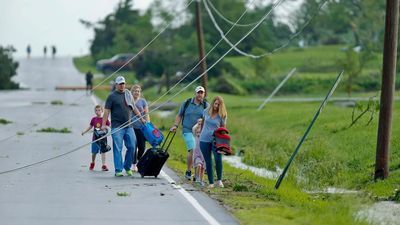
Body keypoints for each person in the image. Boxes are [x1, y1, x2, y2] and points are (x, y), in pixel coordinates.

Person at [102, 75, 145, 177]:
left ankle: (127, 166)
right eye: (120, 84)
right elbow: (107, 111)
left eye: (123, 83)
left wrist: (141, 118)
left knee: (132, 146)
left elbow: (134, 108)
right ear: (116, 85)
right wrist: (104, 124)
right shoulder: (111, 96)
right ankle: (118, 170)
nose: (122, 85)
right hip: (117, 127)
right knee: (118, 148)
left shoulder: (128, 94)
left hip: (129, 126)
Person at [170, 86, 208, 180]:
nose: (200, 94)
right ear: (195, 93)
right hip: (187, 130)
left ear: (204, 94)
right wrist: (175, 125)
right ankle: (188, 170)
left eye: (201, 93)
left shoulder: (206, 106)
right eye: (198, 92)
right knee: (192, 148)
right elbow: (179, 115)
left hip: (199, 132)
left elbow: (209, 118)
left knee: (199, 152)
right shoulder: (186, 103)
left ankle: (197, 175)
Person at [199, 96, 227, 188]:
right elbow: (203, 124)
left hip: (216, 140)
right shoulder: (206, 111)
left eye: (219, 105)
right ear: (213, 103)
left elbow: (223, 129)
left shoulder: (222, 115)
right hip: (204, 139)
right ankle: (211, 182)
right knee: (208, 161)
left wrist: (223, 143)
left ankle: (219, 180)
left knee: (218, 159)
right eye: (215, 104)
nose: (217, 106)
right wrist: (200, 134)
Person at [81, 105, 110, 171]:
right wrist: (84, 132)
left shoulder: (105, 119)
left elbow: (109, 127)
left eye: (99, 110)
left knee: (103, 151)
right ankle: (93, 162)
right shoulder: (94, 119)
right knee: (94, 153)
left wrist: (106, 128)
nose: (97, 112)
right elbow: (90, 126)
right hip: (95, 139)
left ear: (102, 111)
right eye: (96, 110)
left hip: (103, 139)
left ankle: (103, 165)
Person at [130, 84, 150, 170]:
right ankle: (133, 164)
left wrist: (148, 124)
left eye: (138, 91)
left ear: (140, 92)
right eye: (135, 91)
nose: (137, 93)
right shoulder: (129, 101)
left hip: (141, 127)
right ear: (132, 92)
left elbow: (146, 114)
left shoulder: (143, 101)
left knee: (142, 147)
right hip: (132, 127)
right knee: (133, 146)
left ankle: (138, 161)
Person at [192, 118, 205, 186]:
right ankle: (197, 177)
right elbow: (194, 129)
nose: (199, 133)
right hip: (197, 153)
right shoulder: (195, 130)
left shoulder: (205, 132)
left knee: (202, 168)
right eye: (197, 132)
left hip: (203, 153)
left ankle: (201, 179)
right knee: (198, 165)